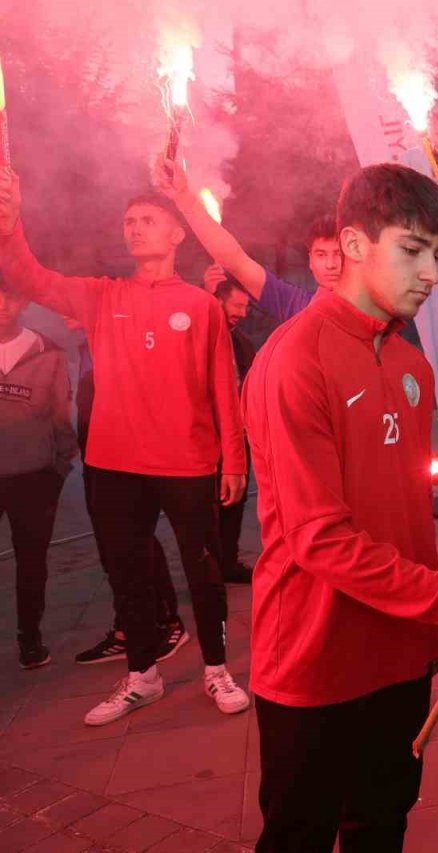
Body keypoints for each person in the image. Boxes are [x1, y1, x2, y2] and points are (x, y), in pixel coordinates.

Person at [243, 163, 438, 851]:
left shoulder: (413, 364)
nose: (430, 273)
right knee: (297, 835)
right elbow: (318, 538)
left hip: (403, 653)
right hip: (314, 662)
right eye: (412, 249)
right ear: (354, 244)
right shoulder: (293, 360)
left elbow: (400, 511)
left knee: (381, 827)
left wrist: (432, 614)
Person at [0, 171, 249, 726]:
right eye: (129, 222)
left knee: (204, 571)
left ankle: (216, 668)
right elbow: (26, 274)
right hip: (114, 466)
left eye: (148, 221)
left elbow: (222, 388)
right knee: (127, 572)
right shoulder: (101, 295)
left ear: (178, 234)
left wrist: (233, 458)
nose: (135, 229)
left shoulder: (201, 306)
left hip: (186, 462)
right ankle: (143, 674)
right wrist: (10, 222)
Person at [153, 157, 438, 343]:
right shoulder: (294, 304)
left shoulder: (379, 305)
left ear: (353, 250)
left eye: (336, 254)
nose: (331, 263)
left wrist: (431, 223)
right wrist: (186, 201)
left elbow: (403, 259)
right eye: (320, 255)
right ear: (310, 262)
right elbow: (235, 259)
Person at [70, 328, 187, 665]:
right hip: (95, 453)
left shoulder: (118, 335)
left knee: (137, 538)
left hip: (125, 451)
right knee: (112, 547)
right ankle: (128, 628)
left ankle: (166, 621)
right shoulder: (82, 347)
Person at [0, 281, 77, 668]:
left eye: (9, 295)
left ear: (23, 299)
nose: (1, 304)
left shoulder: (48, 353)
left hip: (33, 476)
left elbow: (62, 417)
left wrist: (58, 469)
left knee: (32, 562)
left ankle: (30, 639)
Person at [207, 268, 258, 584]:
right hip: (206, 437)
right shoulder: (200, 335)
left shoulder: (243, 343)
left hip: (239, 437)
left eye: (246, 307)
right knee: (208, 505)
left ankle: (227, 560)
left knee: (235, 504)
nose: (242, 313)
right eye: (236, 306)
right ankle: (207, 564)